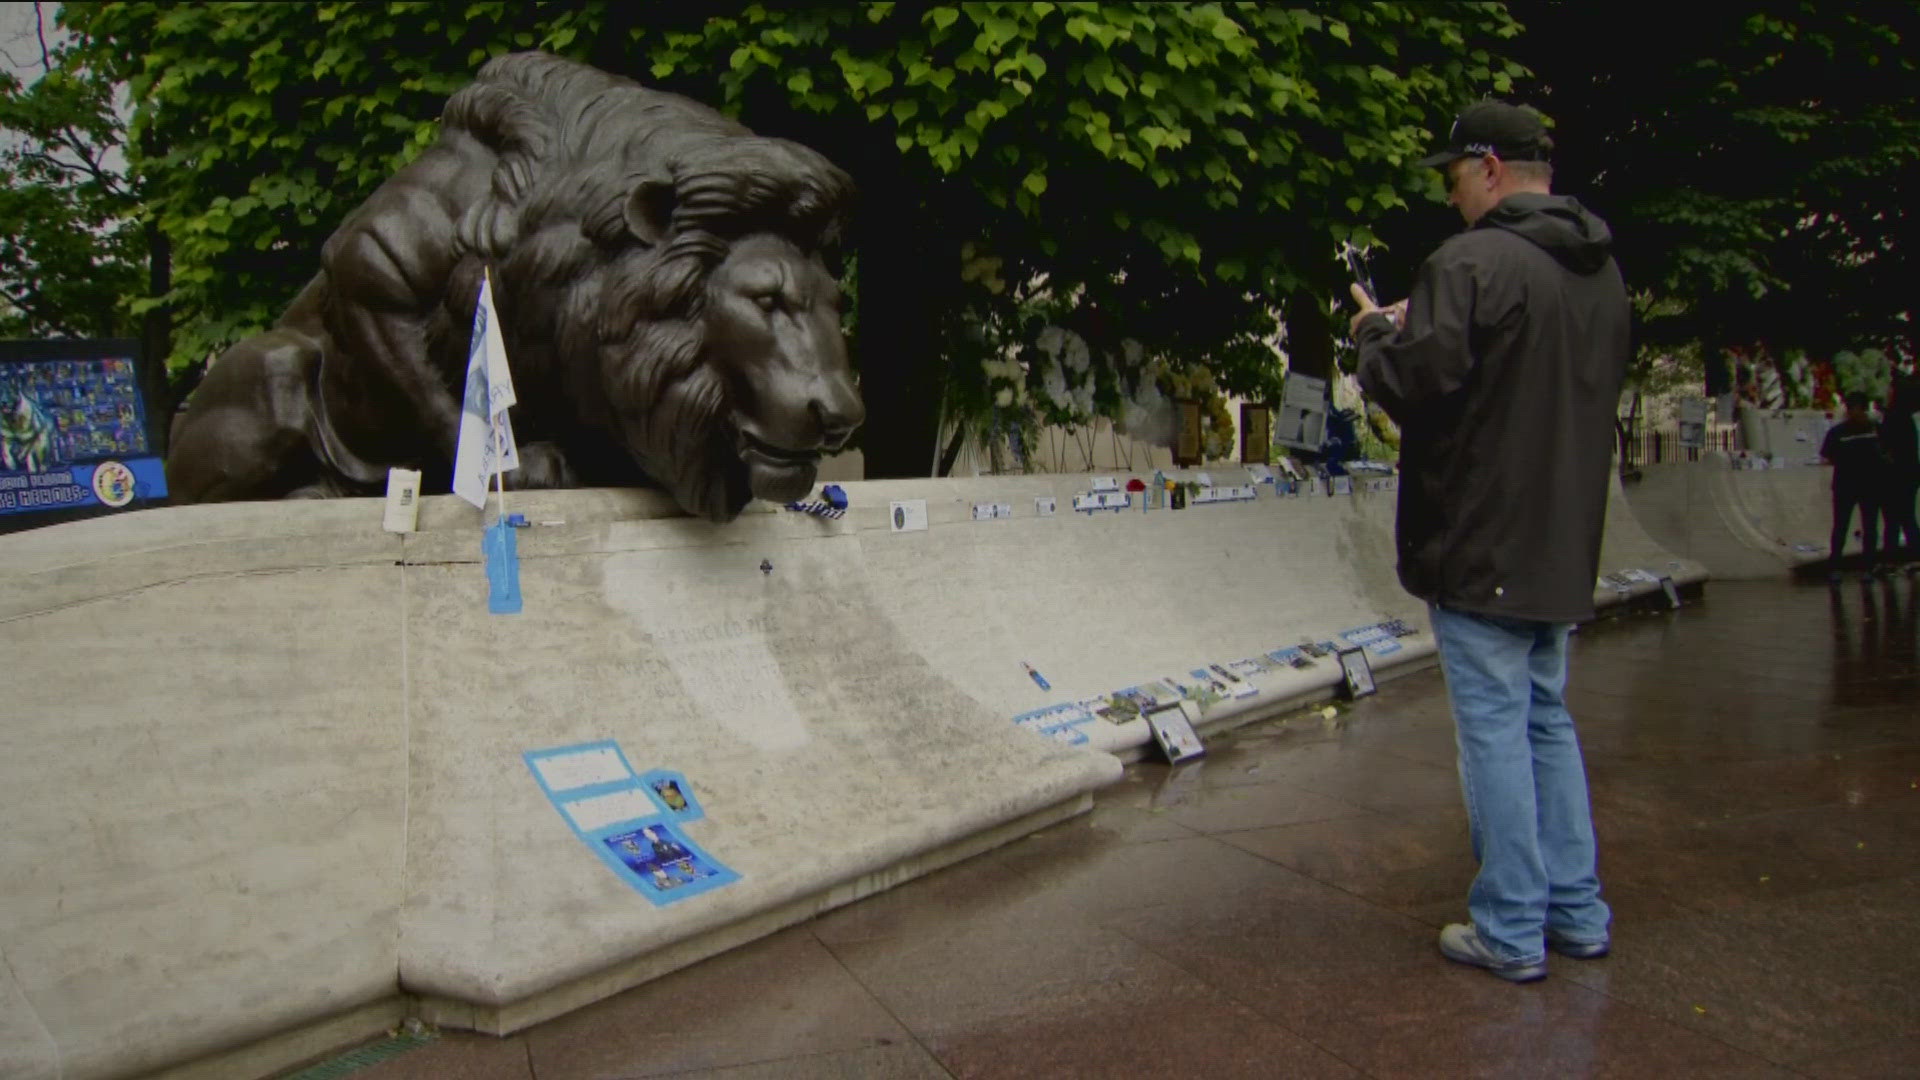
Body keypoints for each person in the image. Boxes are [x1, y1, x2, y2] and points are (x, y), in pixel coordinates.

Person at [1348, 100, 1627, 983]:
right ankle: (1576, 910)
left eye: (1455, 175)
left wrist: (1370, 334)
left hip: (1479, 540)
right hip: (1559, 542)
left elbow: (1416, 381)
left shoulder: (1469, 262)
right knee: (1547, 719)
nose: (1451, 194)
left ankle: (1509, 925)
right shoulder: (1599, 270)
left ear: (1493, 168)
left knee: (1497, 732)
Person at [1821, 390, 1887, 578]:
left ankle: (1869, 566)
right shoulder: (1837, 432)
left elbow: (1885, 453)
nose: (1851, 413)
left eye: (1855, 409)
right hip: (1845, 486)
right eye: (1849, 409)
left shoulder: (1875, 429)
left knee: (1870, 527)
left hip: (1871, 485)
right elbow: (1827, 456)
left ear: (1864, 409)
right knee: (1841, 526)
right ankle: (1835, 567)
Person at [1877, 377, 1919, 568]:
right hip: (1908, 472)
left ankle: (1892, 559)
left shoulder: (1893, 417)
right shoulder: (1906, 417)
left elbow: (1887, 446)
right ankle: (1909, 556)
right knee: (1905, 516)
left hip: (1896, 474)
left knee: (1894, 518)